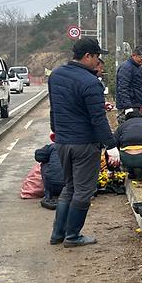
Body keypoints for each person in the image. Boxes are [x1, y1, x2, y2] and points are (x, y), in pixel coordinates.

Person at [48, 37, 120, 247]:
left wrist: (56, 131)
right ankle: (73, 236)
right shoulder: (90, 83)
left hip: (62, 142)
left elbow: (55, 108)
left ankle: (58, 234)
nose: (98, 62)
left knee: (69, 187)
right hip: (84, 144)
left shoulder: (56, 75)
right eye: (97, 57)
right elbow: (98, 119)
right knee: (83, 190)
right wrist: (111, 145)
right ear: (88, 56)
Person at [115, 46, 142, 122]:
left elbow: (138, 87)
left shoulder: (138, 67)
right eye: (141, 58)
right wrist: (127, 107)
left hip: (136, 105)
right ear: (134, 55)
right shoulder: (126, 68)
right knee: (126, 129)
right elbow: (122, 88)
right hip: (128, 106)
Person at [34, 138, 64, 210]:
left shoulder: (54, 146)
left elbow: (38, 156)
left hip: (52, 185)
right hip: (72, 186)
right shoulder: (80, 147)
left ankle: (48, 195)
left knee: (45, 162)